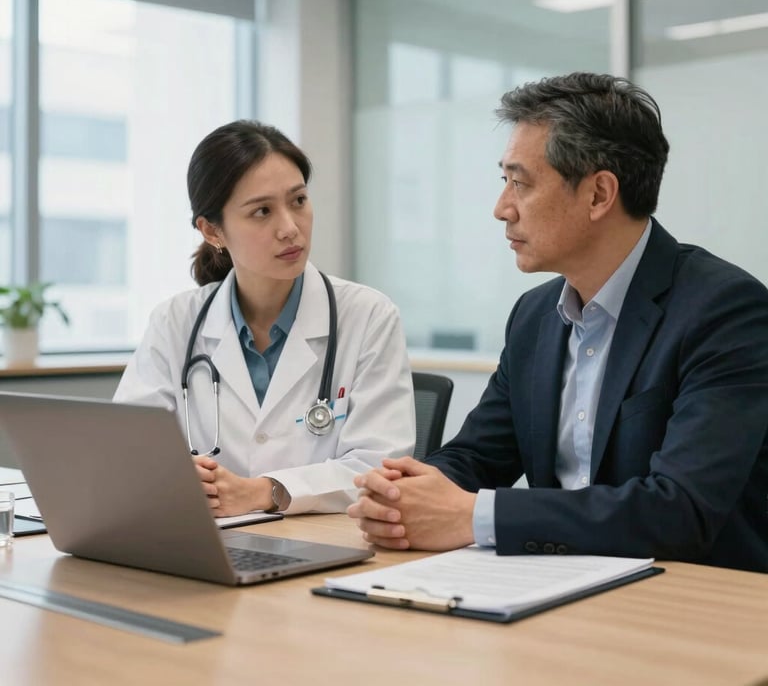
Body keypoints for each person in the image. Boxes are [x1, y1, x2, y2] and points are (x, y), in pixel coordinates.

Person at [348, 72, 768, 573]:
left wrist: (476, 515)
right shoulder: (534, 317)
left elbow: (680, 510)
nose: (501, 208)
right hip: (558, 586)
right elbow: (478, 457)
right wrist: (404, 492)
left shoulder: (727, 311)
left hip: (691, 604)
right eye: (503, 181)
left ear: (598, 195)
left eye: (520, 183)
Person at [115, 120, 415, 516]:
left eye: (299, 201)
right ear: (211, 231)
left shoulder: (368, 317)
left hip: (321, 546)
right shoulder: (176, 322)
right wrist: (170, 476)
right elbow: (124, 452)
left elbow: (377, 467)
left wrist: (264, 492)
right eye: (262, 211)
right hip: (207, 545)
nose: (290, 229)